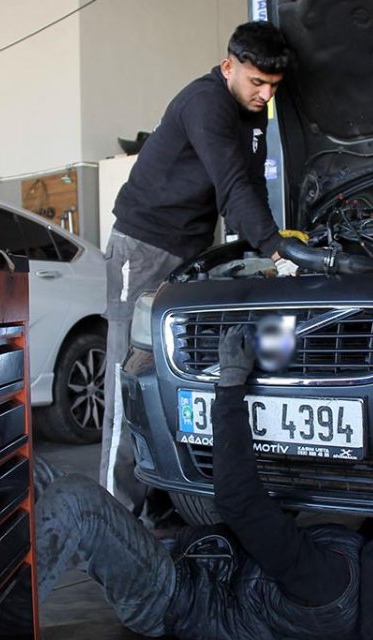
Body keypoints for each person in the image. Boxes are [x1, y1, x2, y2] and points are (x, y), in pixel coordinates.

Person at [31, 327, 373, 639]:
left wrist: (230, 386)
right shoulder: (372, 594)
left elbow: (239, 501)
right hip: (186, 571)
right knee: (31, 473)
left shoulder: (332, 582)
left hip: (170, 594)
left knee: (77, 501)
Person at [101, 21, 297, 516]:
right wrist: (276, 249)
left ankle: (163, 501)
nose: (265, 94)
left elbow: (247, 191)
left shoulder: (252, 113)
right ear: (229, 66)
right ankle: (114, 517)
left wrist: (263, 247)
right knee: (128, 380)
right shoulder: (205, 102)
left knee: (173, 377)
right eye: (256, 82)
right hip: (141, 247)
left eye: (273, 86)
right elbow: (231, 184)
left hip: (190, 253)